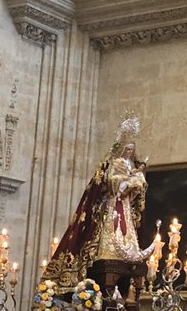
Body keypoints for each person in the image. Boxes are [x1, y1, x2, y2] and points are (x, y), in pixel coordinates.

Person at [41, 114, 152, 291]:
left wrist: (137, 181)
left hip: (124, 207)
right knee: (112, 228)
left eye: (132, 149)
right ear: (122, 148)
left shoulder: (133, 165)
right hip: (113, 205)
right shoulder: (114, 163)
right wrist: (127, 181)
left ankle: (128, 251)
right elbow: (110, 182)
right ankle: (108, 250)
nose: (130, 152)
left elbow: (138, 190)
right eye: (127, 149)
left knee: (127, 230)